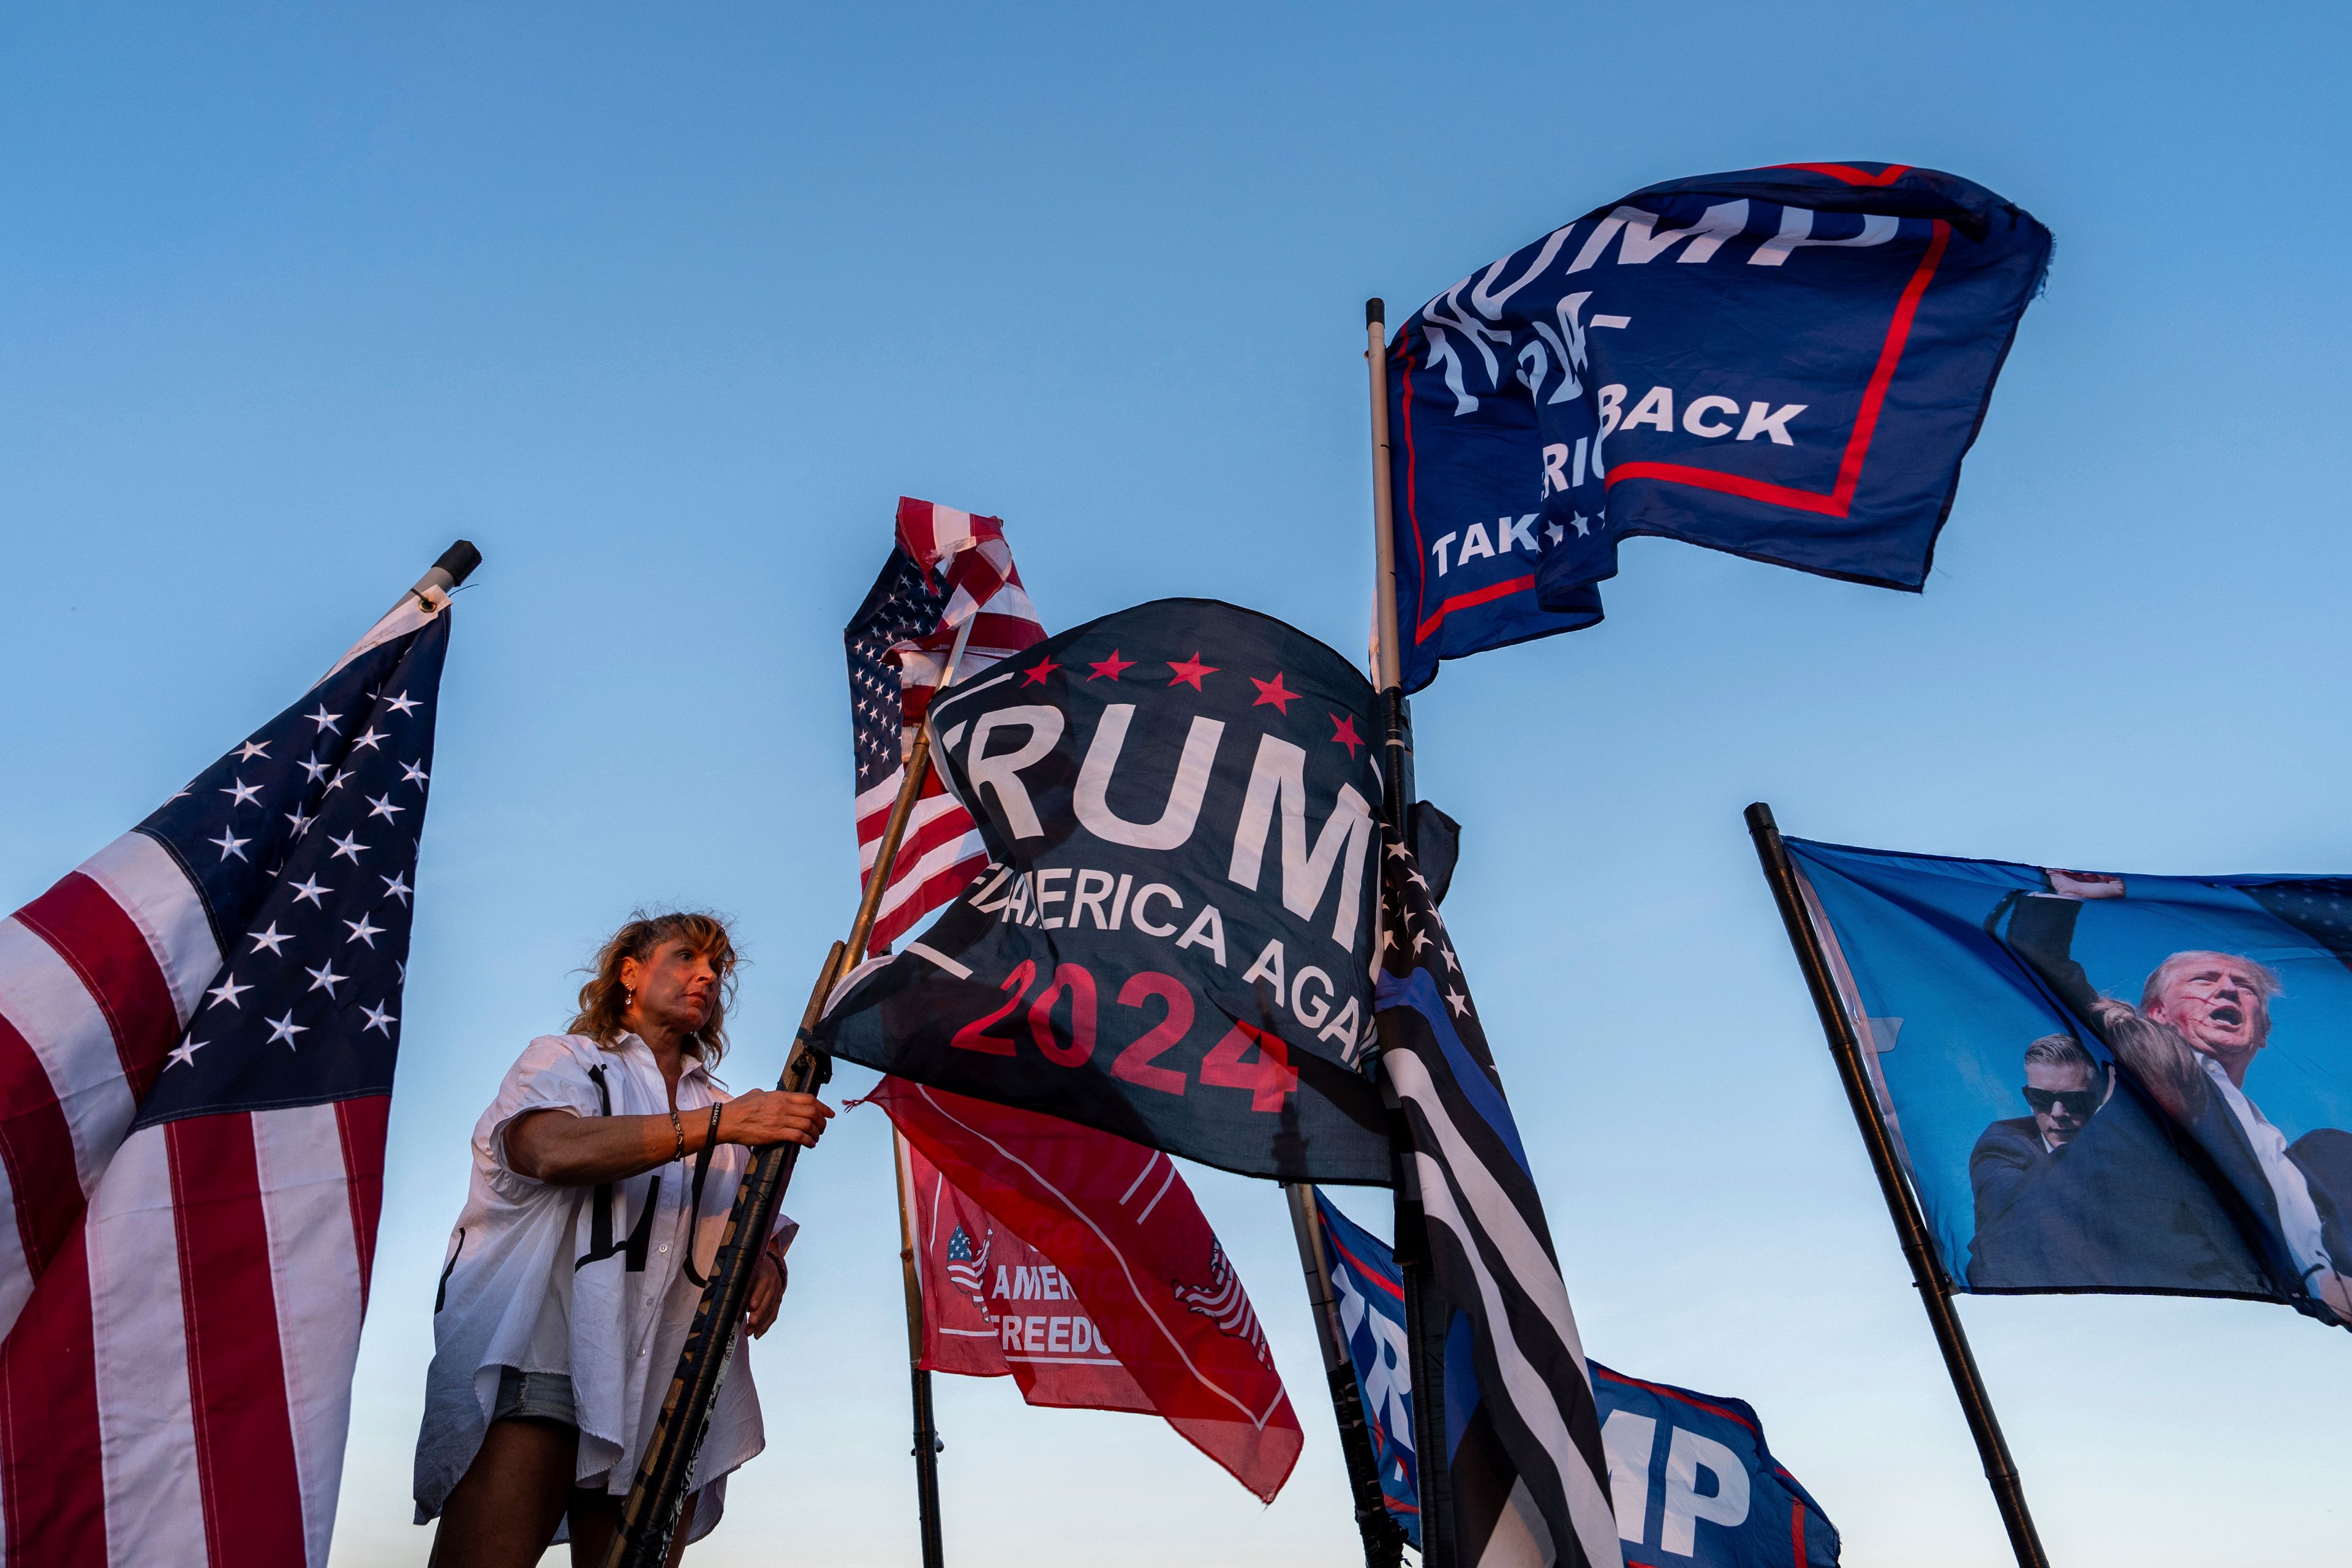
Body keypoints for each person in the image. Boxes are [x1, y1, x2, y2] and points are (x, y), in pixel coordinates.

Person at [414, 912, 834, 1567]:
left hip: (668, 1380)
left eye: (717, 967)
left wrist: (770, 1265)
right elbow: (547, 1150)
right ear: (629, 973)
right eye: (687, 956)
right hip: (551, 1358)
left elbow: (763, 1226)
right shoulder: (567, 1060)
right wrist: (723, 1123)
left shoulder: (725, 1103)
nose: (706, 975)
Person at [2003, 873, 2352, 1322]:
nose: (2227, 989)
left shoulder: (2296, 1152)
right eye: (2205, 981)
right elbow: (2044, 963)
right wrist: (2067, 898)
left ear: (2263, 1032)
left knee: (2330, 1147)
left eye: (2244, 987)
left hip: (2330, 1289)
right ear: (2158, 1014)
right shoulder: (2160, 1068)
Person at [1968, 1032, 2103, 1225]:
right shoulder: (1999, 1146)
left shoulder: (2121, 1144)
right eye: (2042, 1099)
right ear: (2030, 1100)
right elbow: (2015, 1209)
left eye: (2074, 1100)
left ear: (2098, 1099)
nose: (2058, 1113)